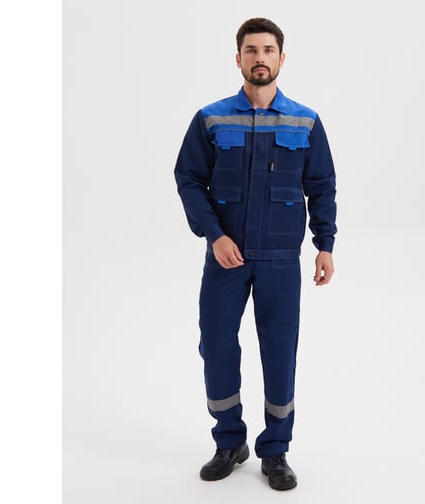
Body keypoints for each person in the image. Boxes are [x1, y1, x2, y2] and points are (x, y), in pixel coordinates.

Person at [174, 17, 337, 491]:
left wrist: (325, 244)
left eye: (268, 50)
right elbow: (189, 179)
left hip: (281, 259)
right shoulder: (211, 118)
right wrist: (214, 235)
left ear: (281, 58)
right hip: (226, 258)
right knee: (216, 345)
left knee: (280, 351)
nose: (260, 58)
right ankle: (229, 442)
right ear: (238, 58)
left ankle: (276, 450)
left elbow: (322, 186)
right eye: (251, 50)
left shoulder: (305, 121)